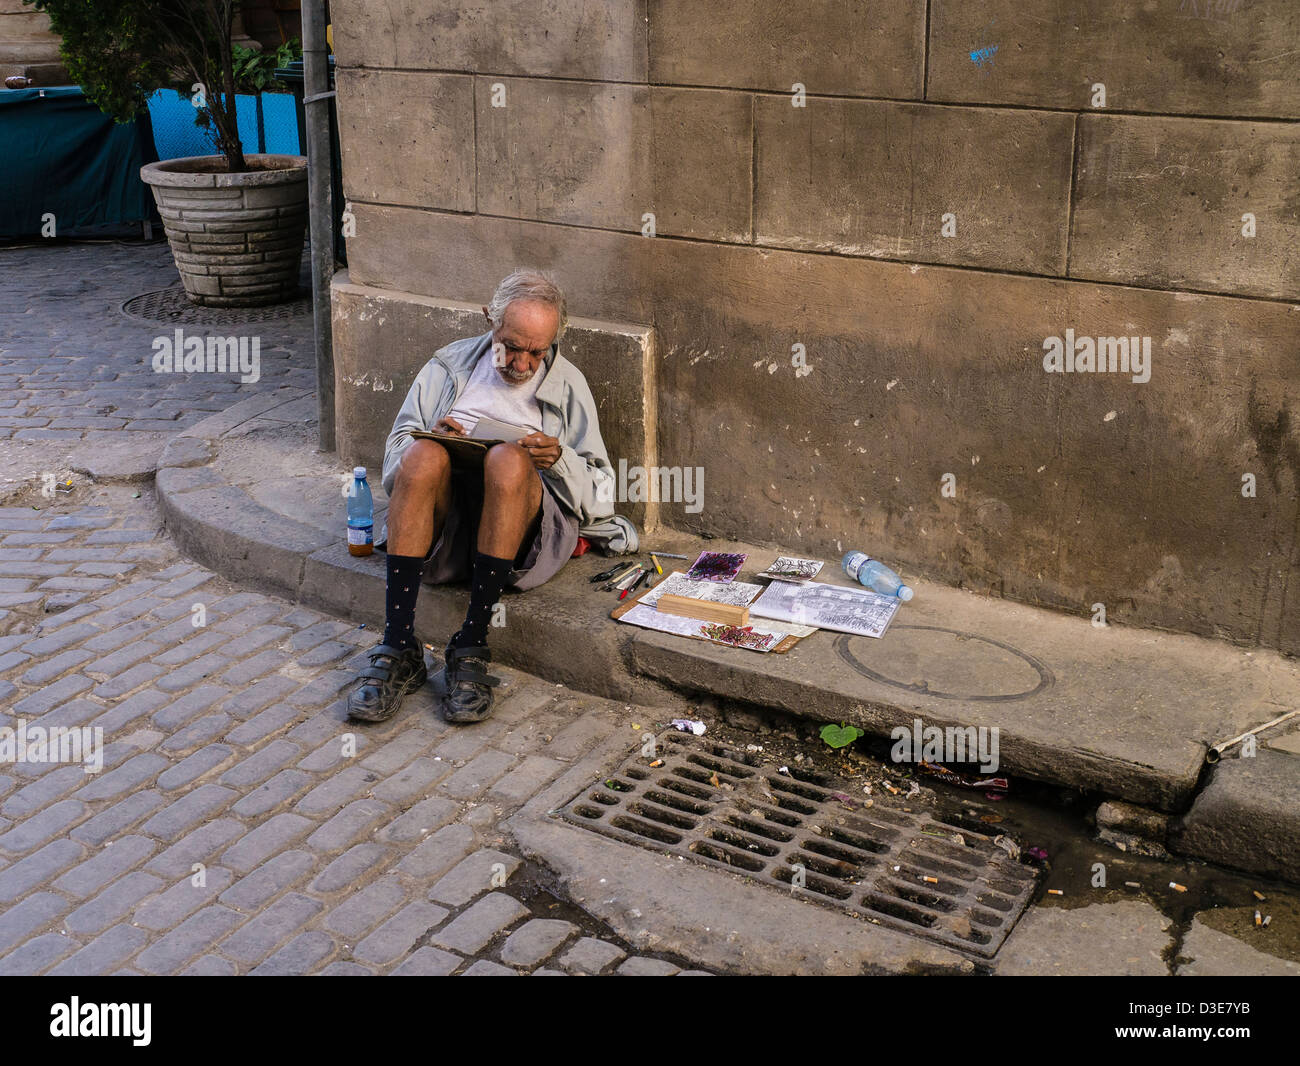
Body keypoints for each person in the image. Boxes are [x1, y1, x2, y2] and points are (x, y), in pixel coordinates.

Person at [346, 269, 636, 725]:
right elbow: (392, 471)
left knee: (507, 459)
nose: (521, 364)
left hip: (521, 533)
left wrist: (558, 458)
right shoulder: (447, 365)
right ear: (489, 320)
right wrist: (434, 437)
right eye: (512, 346)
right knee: (421, 456)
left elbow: (601, 495)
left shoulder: (568, 384)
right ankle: (399, 644)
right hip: (447, 529)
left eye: (536, 352)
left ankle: (472, 643)